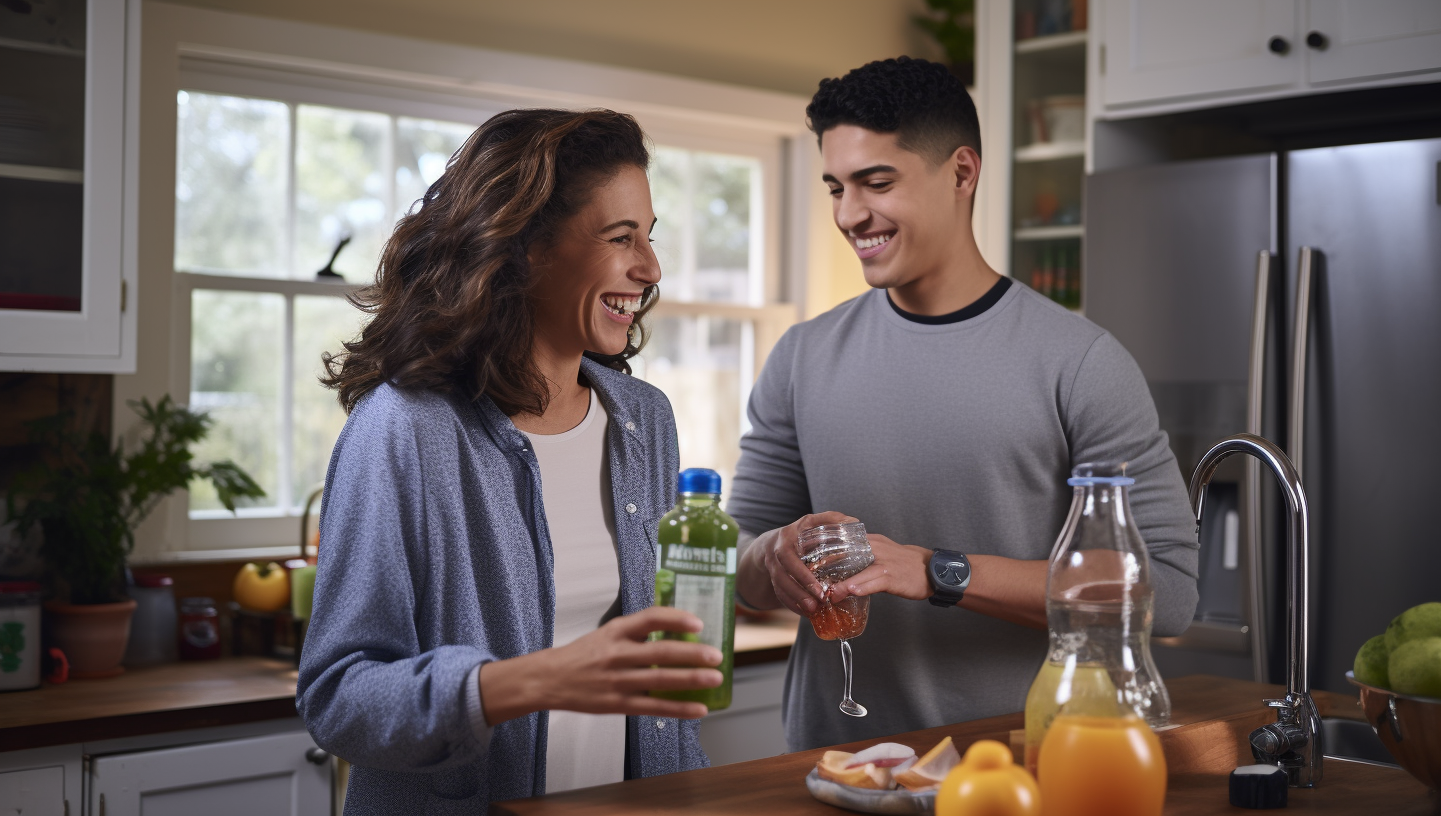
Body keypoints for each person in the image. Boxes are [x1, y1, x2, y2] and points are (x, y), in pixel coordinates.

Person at [728, 57, 1200, 751]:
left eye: (876, 182)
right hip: (837, 771)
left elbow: (1169, 592)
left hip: (1023, 768)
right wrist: (772, 558)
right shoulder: (801, 357)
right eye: (836, 187)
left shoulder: (1080, 362)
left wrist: (936, 571)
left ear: (961, 173)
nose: (849, 214)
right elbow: (738, 567)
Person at [297, 108, 722, 813]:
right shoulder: (404, 429)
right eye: (621, 238)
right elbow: (339, 695)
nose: (649, 269)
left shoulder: (644, 419)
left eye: (649, 238)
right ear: (525, 247)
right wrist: (527, 682)